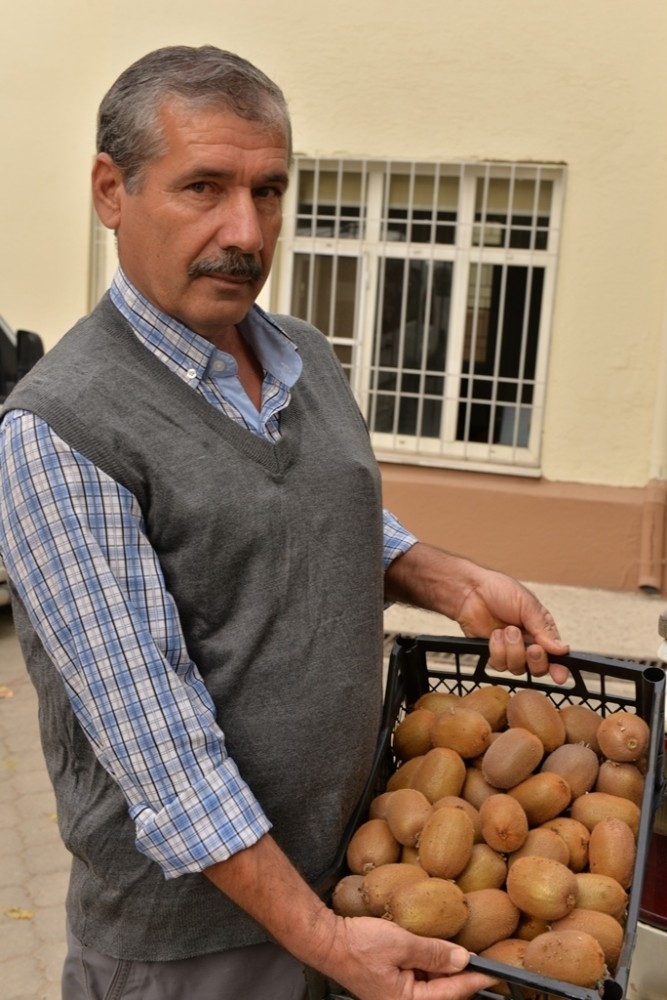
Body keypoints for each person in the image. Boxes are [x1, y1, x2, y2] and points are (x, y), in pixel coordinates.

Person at [0, 45, 569, 1000]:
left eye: (268, 192)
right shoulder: (62, 429)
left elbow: (307, 516)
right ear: (110, 191)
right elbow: (163, 755)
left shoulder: (301, 353)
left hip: (353, 877)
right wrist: (327, 943)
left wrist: (446, 578)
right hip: (194, 946)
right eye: (204, 188)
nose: (246, 232)